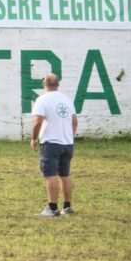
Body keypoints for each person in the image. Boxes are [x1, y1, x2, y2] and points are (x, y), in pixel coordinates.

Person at [31, 73, 79, 217]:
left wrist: (33, 138)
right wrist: (70, 135)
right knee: (65, 175)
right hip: (67, 142)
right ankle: (67, 207)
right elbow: (74, 122)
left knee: (50, 175)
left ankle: (52, 208)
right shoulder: (67, 99)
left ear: (43, 84)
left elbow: (37, 121)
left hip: (51, 142)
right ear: (58, 84)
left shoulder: (42, 99)